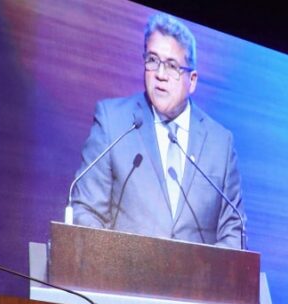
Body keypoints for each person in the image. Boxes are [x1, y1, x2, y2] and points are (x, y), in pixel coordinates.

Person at [70, 13, 244, 248]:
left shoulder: (220, 144)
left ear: (192, 80)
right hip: (123, 270)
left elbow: (233, 232)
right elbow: (86, 211)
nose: (160, 75)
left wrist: (202, 269)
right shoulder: (113, 122)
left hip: (198, 273)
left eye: (172, 66)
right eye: (153, 60)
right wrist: (118, 262)